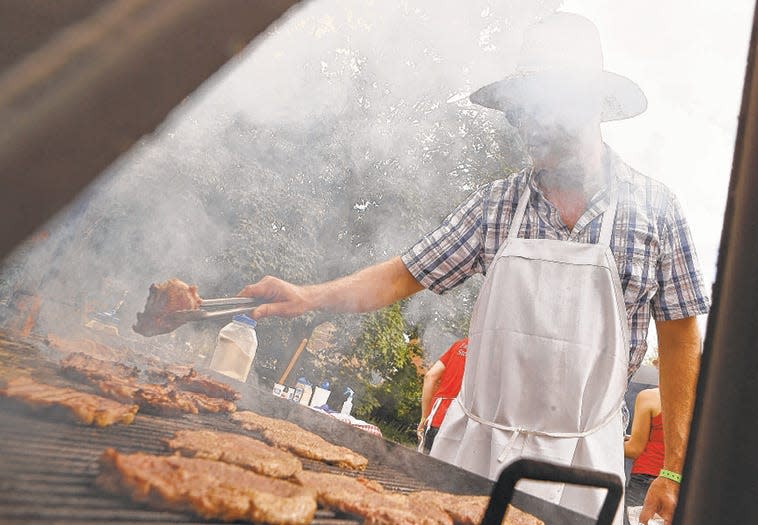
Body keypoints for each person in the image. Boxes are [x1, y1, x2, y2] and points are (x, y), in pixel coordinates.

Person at [238, 12, 709, 525]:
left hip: (583, 471)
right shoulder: (497, 205)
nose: (525, 126)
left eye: (538, 108)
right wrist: (308, 296)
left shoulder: (657, 210)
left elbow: (683, 338)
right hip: (475, 457)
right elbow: (403, 273)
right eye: (517, 113)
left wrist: (677, 469)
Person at [624, 360, 665, 510]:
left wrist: (607, 442)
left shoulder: (650, 397)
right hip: (676, 481)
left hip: (645, 479)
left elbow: (635, 449)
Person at [417, 337, 468, 454]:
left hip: (438, 418)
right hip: (464, 425)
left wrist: (424, 416)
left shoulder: (459, 345)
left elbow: (430, 376)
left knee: (422, 467)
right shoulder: (490, 352)